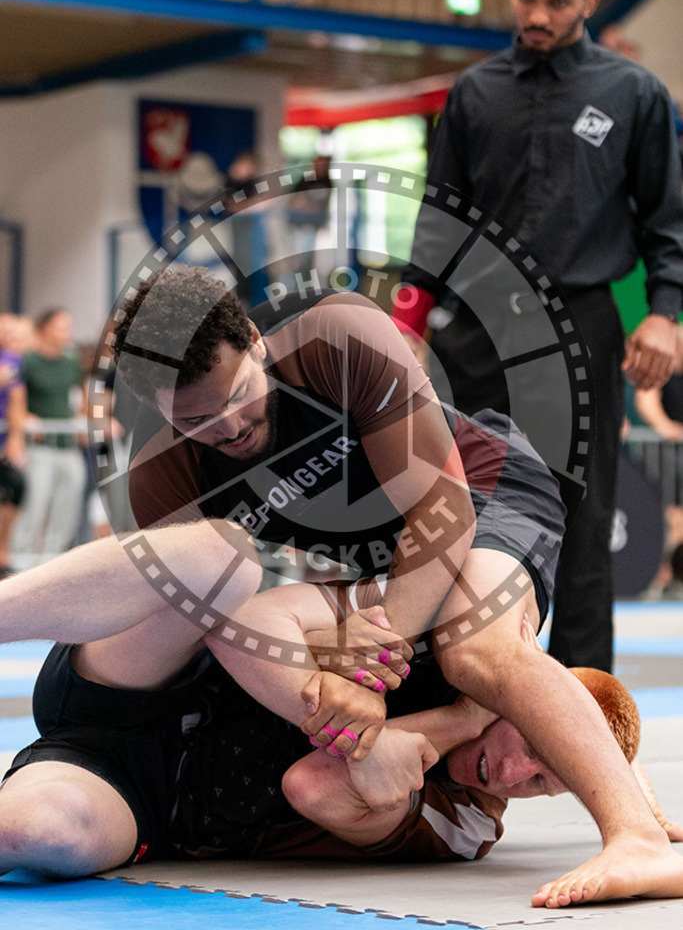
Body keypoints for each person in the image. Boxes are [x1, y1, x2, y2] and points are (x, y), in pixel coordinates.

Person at [2, 266, 682, 906]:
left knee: (473, 650)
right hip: (361, 576)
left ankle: (636, 839)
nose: (230, 429)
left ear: (258, 345)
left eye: (238, 396)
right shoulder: (166, 469)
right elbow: (199, 625)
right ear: (155, 407)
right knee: (217, 563)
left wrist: (366, 670)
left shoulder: (337, 341)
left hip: (479, 485)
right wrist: (330, 668)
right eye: (197, 422)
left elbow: (441, 513)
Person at [394, 0, 683, 674]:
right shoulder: (472, 91)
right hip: (476, 327)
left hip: (579, 324)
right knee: (448, 503)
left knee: (583, 515)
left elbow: (667, 218)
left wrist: (662, 311)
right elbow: (438, 215)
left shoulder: (632, 93)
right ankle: (439, 678)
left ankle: (583, 698)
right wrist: (408, 321)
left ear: (586, 2)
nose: (537, 13)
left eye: (556, 2)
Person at [11, 309, 87, 565]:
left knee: (68, 502)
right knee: (36, 501)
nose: (67, 332)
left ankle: (55, 559)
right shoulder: (28, 361)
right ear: (45, 329)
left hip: (67, 443)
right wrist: (26, 419)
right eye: (62, 327)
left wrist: (82, 418)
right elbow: (16, 397)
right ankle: (20, 561)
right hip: (40, 446)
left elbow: (77, 394)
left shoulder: (70, 361)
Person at [0, 314, 30, 578]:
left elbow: (16, 396)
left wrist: (15, 438)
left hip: (3, 441)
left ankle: (3, 553)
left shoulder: (12, 361)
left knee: (16, 487)